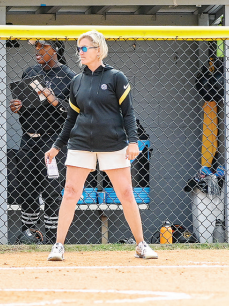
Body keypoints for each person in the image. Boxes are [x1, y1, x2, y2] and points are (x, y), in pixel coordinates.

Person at [45, 30, 158, 261]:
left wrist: (133, 142)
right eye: (78, 49)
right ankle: (58, 246)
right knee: (70, 194)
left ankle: (141, 244)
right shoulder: (77, 81)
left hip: (113, 143)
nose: (80, 53)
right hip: (81, 144)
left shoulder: (116, 77)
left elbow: (128, 113)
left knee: (126, 193)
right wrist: (57, 146)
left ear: (98, 50)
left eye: (84, 48)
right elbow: (70, 118)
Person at [9, 40, 76, 244]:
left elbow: (74, 113)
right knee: (27, 190)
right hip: (28, 138)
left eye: (42, 46)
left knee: (51, 191)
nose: (37, 50)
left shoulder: (70, 77)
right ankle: (29, 236)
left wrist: (53, 99)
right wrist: (17, 106)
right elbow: (24, 103)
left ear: (55, 49)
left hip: (53, 141)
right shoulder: (29, 72)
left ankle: (53, 240)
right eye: (35, 47)